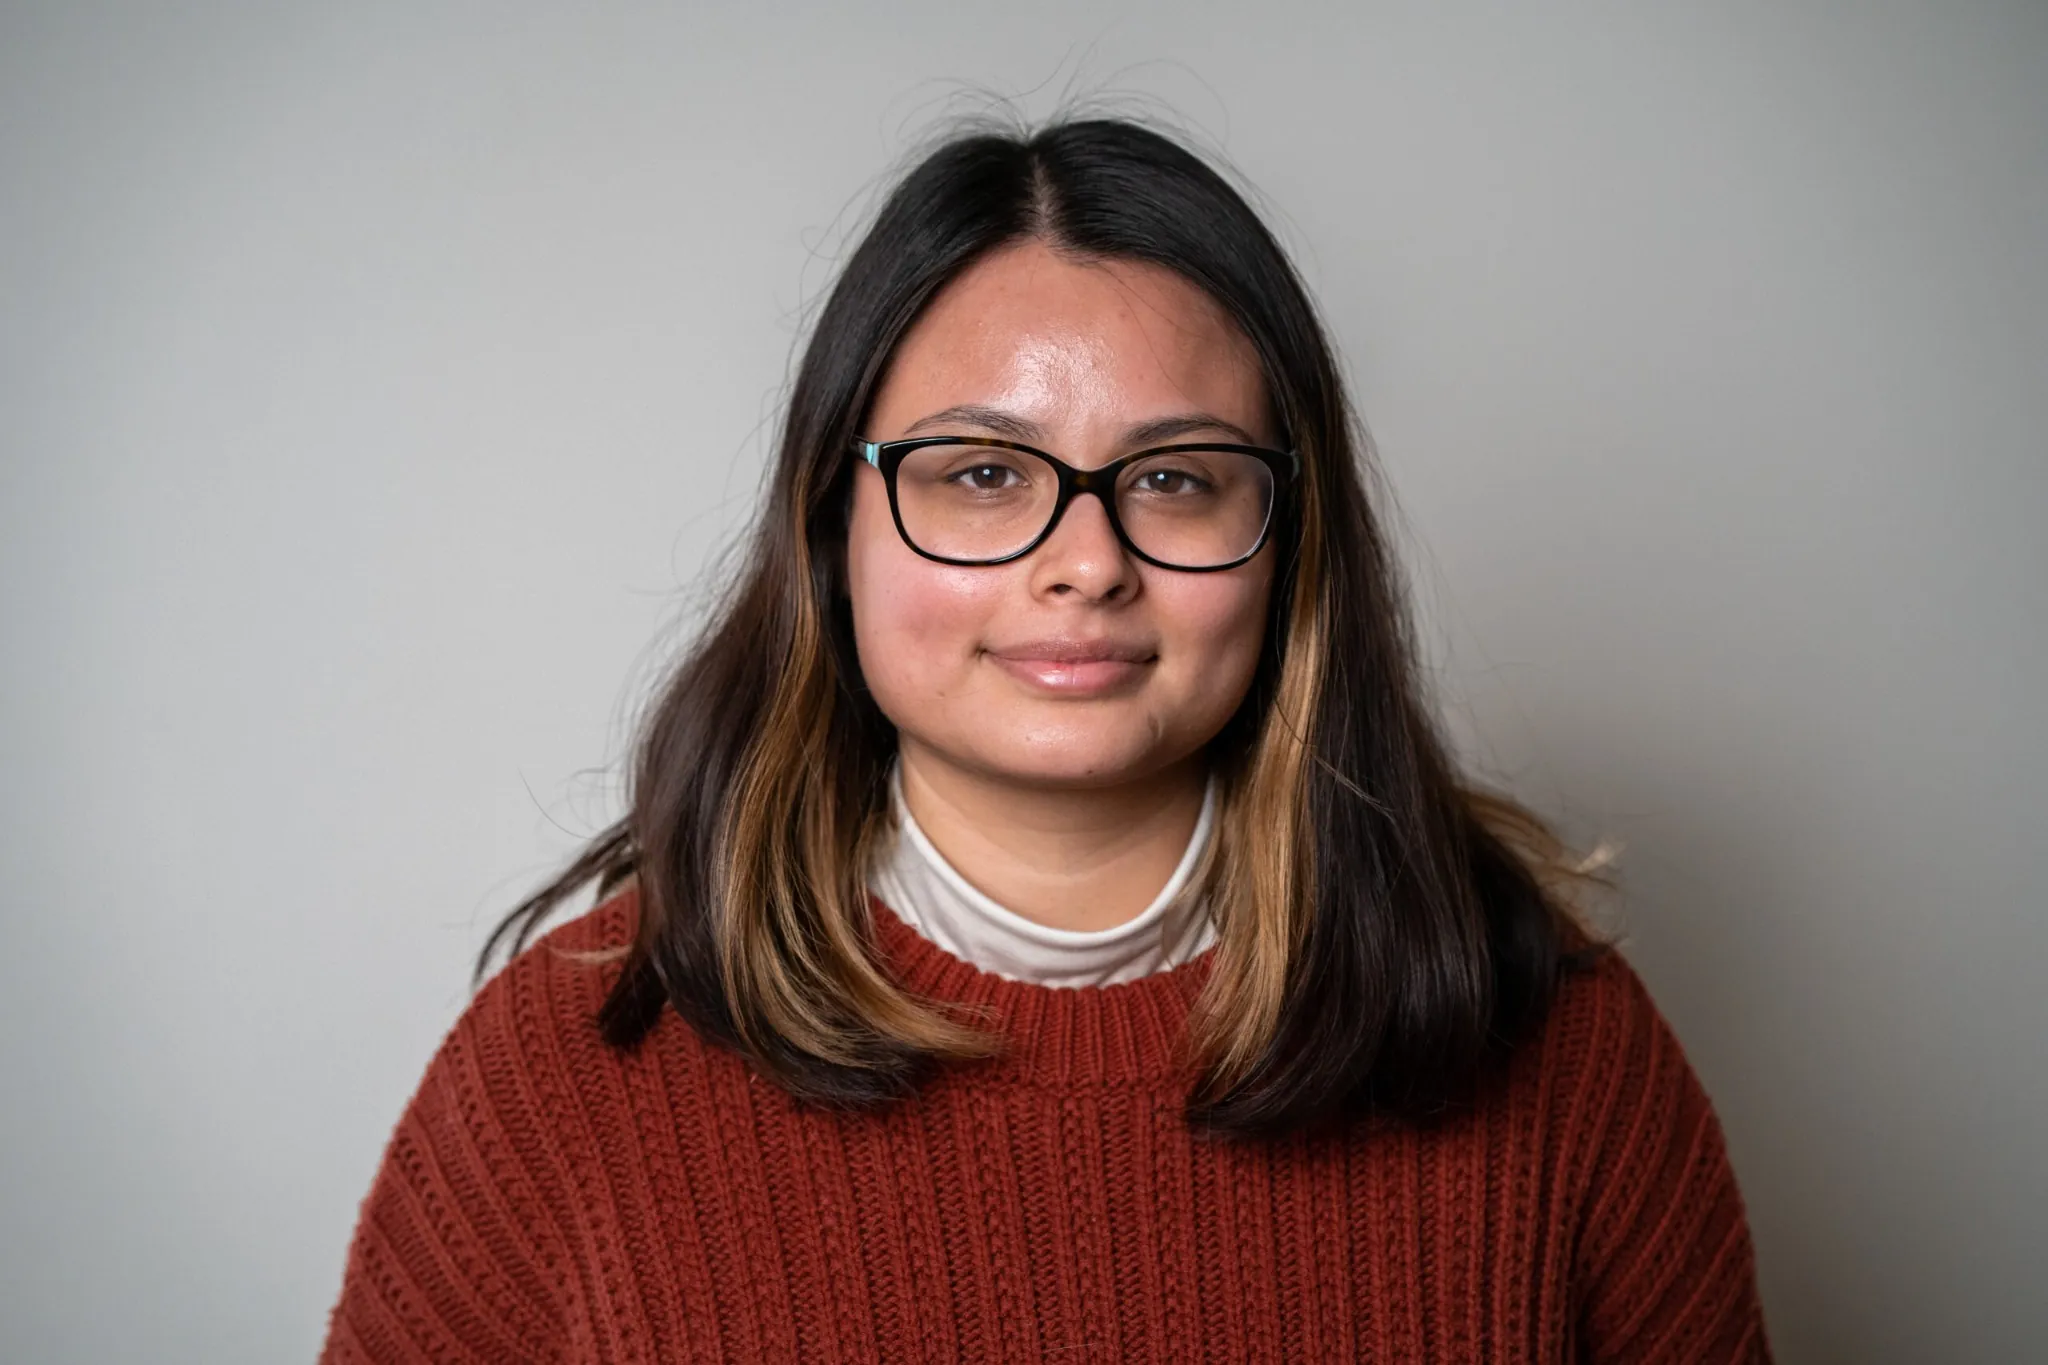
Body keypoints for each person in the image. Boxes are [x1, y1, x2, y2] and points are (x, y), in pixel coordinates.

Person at [321, 116, 1774, 1362]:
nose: (1086, 561)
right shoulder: (565, 1076)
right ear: (834, 525)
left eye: (1179, 480)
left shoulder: (1559, 1048)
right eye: (981, 473)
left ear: (1288, 544)